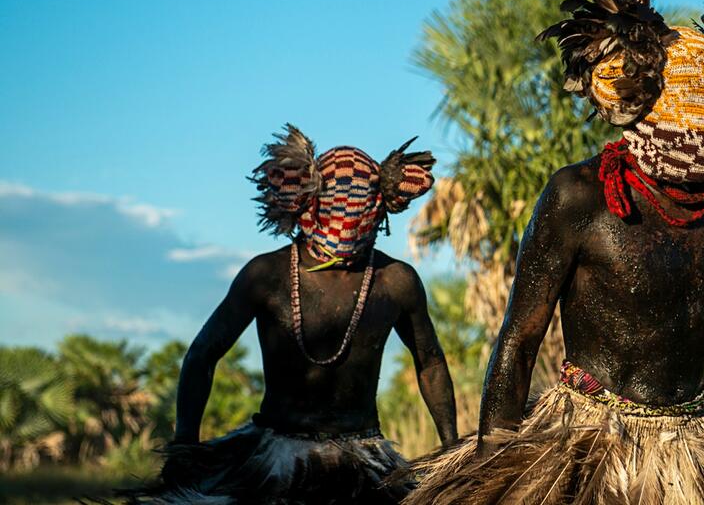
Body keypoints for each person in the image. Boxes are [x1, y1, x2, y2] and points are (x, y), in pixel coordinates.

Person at [406, 0, 704, 504]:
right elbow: (520, 338)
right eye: (682, 138)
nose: (694, 154)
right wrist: (492, 470)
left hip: (695, 441)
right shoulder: (580, 194)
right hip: (587, 441)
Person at [127, 126, 457, 504]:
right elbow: (203, 354)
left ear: (379, 206)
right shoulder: (267, 276)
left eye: (358, 206)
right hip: (271, 454)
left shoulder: (395, 282)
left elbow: (429, 361)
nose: (346, 219)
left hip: (365, 456)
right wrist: (185, 445)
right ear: (308, 203)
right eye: (337, 205)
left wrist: (452, 452)